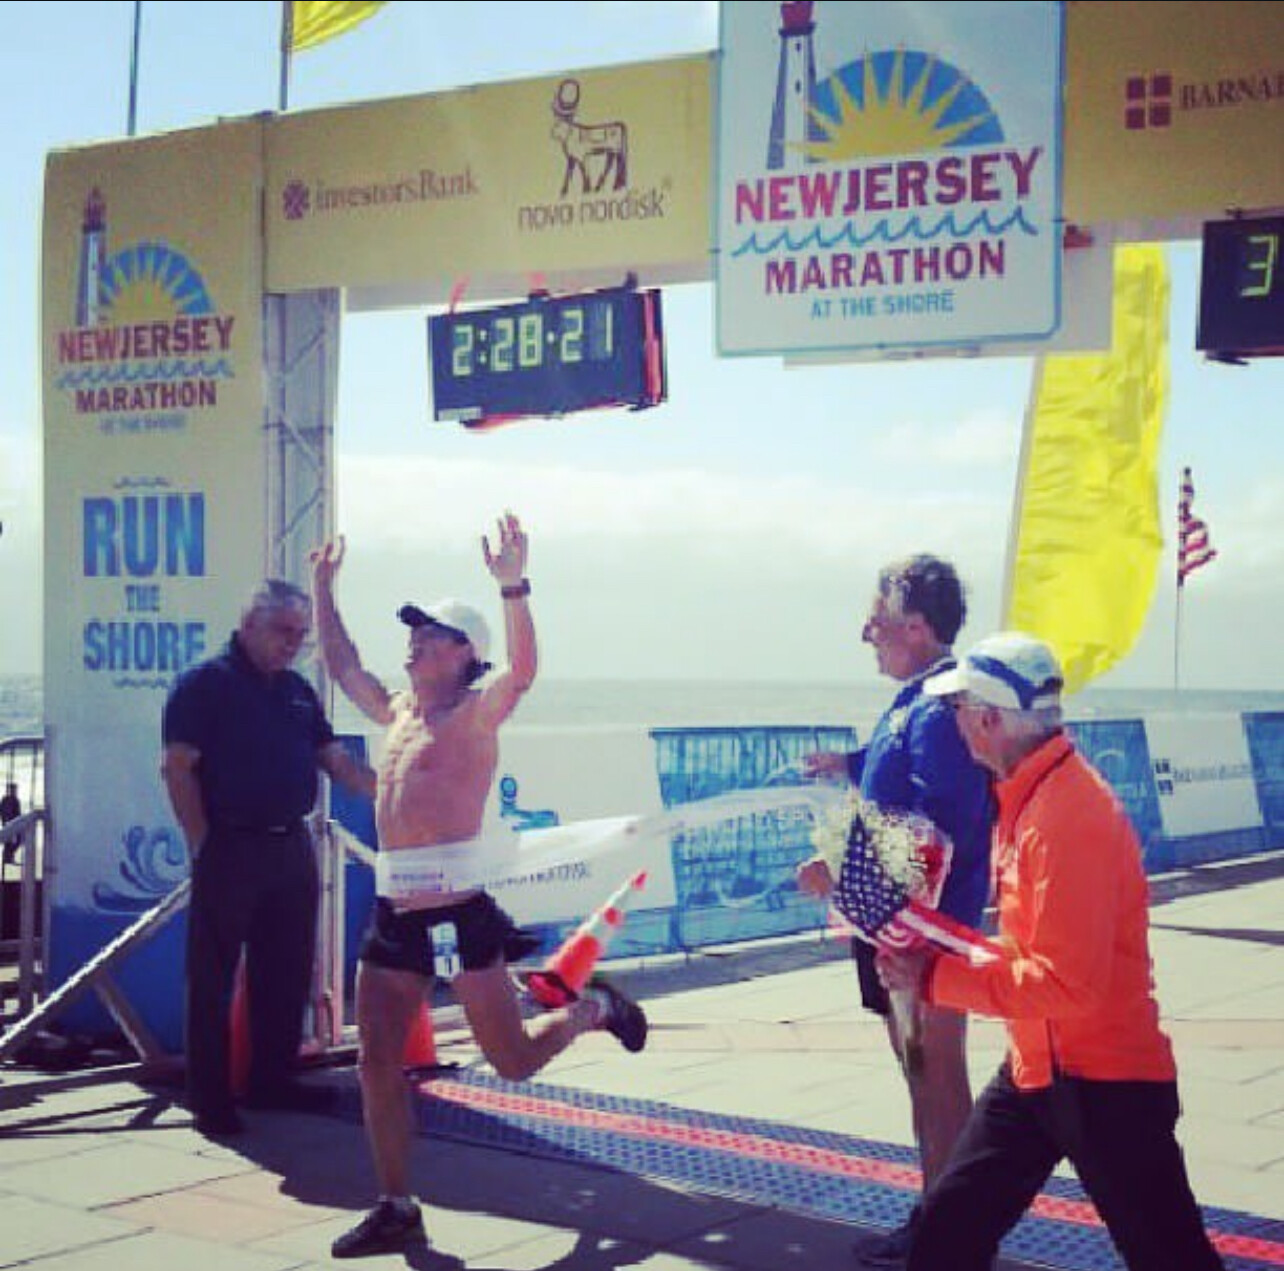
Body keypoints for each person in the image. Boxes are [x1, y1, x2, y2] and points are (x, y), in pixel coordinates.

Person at [312, 512, 648, 1260]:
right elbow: (342, 665)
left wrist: (513, 586)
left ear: (464, 653)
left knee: (512, 1062)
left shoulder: (473, 714)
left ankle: (591, 1008)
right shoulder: (399, 711)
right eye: (413, 632)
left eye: (430, 634)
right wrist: (323, 588)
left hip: (456, 915)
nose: (413, 642)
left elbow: (522, 671)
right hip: (396, 914)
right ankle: (397, 1205)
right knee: (375, 1062)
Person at [877, 631, 1226, 1271]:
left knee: (1172, 1259)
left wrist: (933, 979)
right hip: (1037, 1071)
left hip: (1107, 1085)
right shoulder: (1031, 796)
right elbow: (1027, 956)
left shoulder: (1068, 815)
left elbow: (1064, 984)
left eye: (957, 708)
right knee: (944, 1238)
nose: (953, 722)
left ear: (988, 720)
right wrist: (932, 955)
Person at [795, 554, 994, 1267]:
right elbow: (902, 779)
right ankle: (937, 1217)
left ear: (915, 627)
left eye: (876, 619)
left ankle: (951, 1234)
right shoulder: (922, 699)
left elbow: (941, 829)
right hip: (899, 927)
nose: (865, 633)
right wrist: (849, 764)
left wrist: (843, 872)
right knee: (922, 1074)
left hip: (922, 934)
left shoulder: (939, 706)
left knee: (935, 1076)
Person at [161, 579, 376, 1140]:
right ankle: (209, 1100)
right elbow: (178, 768)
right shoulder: (205, 685)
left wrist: (398, 788)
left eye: (301, 635)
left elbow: (335, 760)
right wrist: (202, 843)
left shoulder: (297, 691)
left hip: (291, 845)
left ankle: (271, 1081)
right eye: (283, 631)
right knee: (212, 976)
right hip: (231, 844)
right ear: (248, 624)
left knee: (285, 970)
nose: (292, 644)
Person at [0, 780, 22, 865]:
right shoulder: (8, 799)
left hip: (13, 823)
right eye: (13, 789)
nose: (15, 791)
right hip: (10, 823)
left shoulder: (14, 799)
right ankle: (7, 857)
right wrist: (6, 821)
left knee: (12, 841)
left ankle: (8, 857)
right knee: (14, 841)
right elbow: (3, 811)